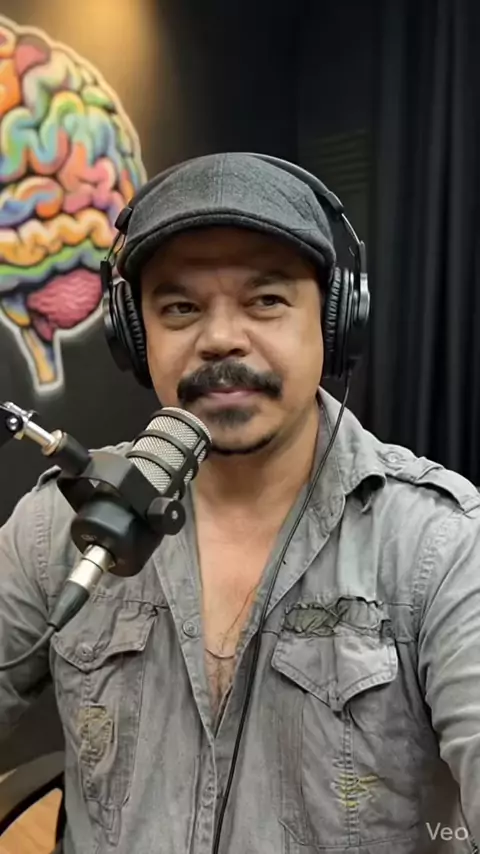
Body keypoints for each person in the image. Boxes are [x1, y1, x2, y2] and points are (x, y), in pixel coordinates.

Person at [0, 152, 479, 854]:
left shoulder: (438, 544)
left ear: (336, 323)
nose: (221, 337)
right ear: (134, 336)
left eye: (266, 300)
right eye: (180, 307)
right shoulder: (57, 524)